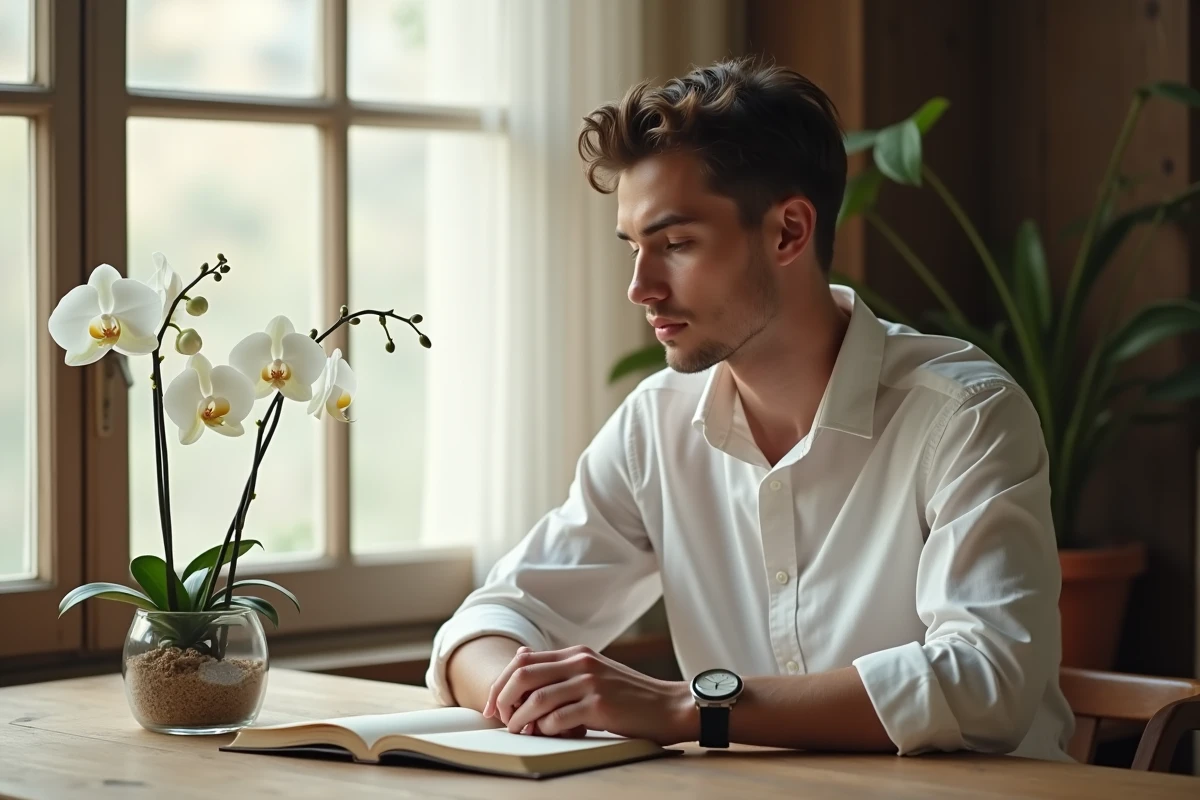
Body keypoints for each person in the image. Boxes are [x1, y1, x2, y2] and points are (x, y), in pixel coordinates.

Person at [425, 57, 1074, 761]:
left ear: (790, 232)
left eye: (675, 244)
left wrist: (687, 705)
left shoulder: (965, 415)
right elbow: (493, 619)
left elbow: (987, 681)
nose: (640, 287)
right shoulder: (657, 426)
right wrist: (531, 690)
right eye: (634, 249)